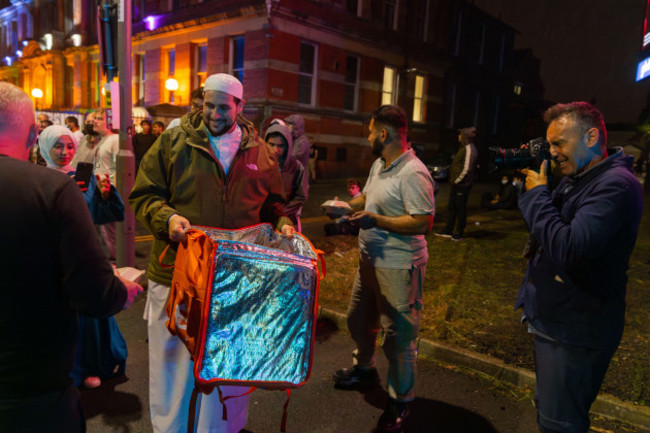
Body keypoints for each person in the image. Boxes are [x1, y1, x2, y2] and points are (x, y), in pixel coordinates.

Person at [129, 73, 295, 433]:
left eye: (223, 107)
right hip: (176, 273)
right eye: (208, 105)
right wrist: (168, 217)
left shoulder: (261, 152)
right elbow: (144, 195)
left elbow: (273, 205)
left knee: (230, 364)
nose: (214, 114)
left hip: (237, 280)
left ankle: (221, 429)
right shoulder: (173, 141)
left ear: (240, 106)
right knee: (172, 363)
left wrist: (282, 224)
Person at [0, 82, 142, 432]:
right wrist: (123, 291)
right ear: (35, 134)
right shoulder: (50, 189)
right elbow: (94, 293)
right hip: (30, 392)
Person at [516, 102, 643, 433]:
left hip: (575, 330)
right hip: (558, 322)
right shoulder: (583, 176)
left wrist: (538, 197)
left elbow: (569, 249)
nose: (553, 152)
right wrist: (530, 190)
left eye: (560, 143)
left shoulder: (615, 185)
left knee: (560, 424)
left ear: (590, 136)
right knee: (551, 411)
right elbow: (549, 227)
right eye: (550, 144)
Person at [332, 105, 434, 433]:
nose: (367, 136)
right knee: (359, 320)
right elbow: (366, 197)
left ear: (384, 134)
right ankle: (364, 369)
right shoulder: (380, 164)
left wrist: (377, 220)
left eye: (370, 130)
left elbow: (423, 221)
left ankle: (400, 400)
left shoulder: (413, 172)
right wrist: (345, 206)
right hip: (369, 262)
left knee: (398, 337)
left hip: (399, 266)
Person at [38, 124, 127, 390]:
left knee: (87, 315)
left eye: (69, 146)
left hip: (82, 255)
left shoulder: (85, 175)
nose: (64, 152)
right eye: (57, 145)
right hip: (49, 259)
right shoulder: (35, 179)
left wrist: (106, 193)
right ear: (44, 146)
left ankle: (88, 366)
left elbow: (103, 215)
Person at [436, 126, 478, 241]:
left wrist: (457, 180)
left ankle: (459, 232)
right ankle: (448, 230)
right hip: (457, 184)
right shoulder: (463, 148)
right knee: (452, 207)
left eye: (460, 135)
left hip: (463, 185)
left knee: (460, 208)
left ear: (465, 137)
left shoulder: (470, 149)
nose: (458, 137)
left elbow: (467, 169)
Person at [265, 122, 308, 231]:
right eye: (272, 144)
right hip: (264, 221)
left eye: (280, 145)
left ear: (287, 145)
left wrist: (282, 213)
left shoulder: (296, 167)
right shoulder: (259, 165)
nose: (276, 150)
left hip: (287, 221)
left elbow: (301, 196)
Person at [93, 108, 120, 261]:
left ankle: (121, 261)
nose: (95, 122)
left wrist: (112, 193)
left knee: (113, 232)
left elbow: (118, 168)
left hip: (108, 191)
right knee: (105, 232)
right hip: (100, 190)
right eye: (95, 118)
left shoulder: (115, 139)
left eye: (99, 119)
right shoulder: (101, 140)